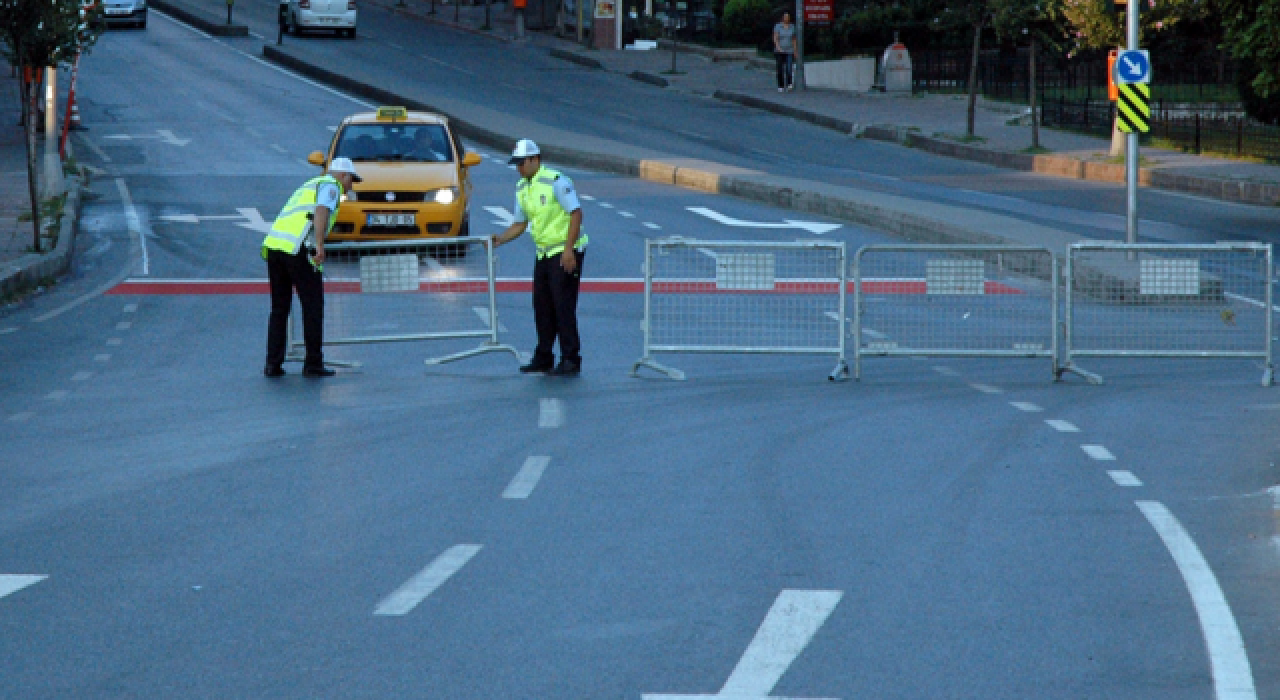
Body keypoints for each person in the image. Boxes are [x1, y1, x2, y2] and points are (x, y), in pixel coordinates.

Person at [490, 139, 588, 376]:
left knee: (562, 306)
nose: (519, 169)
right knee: (542, 306)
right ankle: (544, 356)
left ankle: (571, 358)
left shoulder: (555, 181)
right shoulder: (522, 188)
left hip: (565, 250)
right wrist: (500, 239)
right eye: (516, 164)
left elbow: (575, 214)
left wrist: (568, 250)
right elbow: (520, 223)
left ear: (535, 159)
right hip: (544, 252)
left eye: (522, 163)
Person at [261, 157, 362, 378]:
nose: (351, 186)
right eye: (352, 180)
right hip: (299, 250)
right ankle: (313, 363)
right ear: (343, 175)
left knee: (279, 309)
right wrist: (319, 245)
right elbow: (322, 211)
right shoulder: (331, 186)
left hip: (275, 247)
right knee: (313, 307)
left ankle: (272, 364)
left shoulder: (309, 185)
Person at [773, 13, 797, 92]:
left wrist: (795, 50)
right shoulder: (778, 26)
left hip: (789, 50)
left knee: (789, 68)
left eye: (788, 17)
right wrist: (778, 48)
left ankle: (789, 84)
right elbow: (775, 38)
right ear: (783, 18)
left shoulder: (792, 27)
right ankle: (781, 85)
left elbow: (793, 39)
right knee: (780, 68)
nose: (787, 18)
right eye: (785, 17)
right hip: (780, 51)